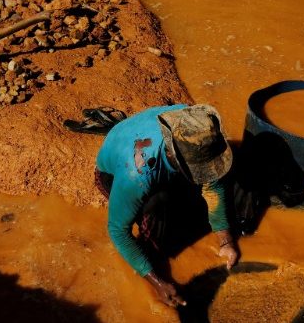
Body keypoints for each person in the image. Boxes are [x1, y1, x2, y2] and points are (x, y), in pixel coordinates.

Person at [94, 104, 239, 307]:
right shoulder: (137, 175)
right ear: (174, 157)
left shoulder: (193, 125)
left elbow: (213, 185)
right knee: (158, 214)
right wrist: (157, 282)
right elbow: (118, 231)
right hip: (113, 173)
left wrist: (226, 241)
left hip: (151, 153)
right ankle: (151, 253)